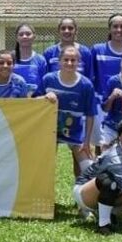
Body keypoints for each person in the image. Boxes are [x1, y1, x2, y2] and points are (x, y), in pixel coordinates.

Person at [72, 117, 122, 236]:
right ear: (119, 136)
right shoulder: (114, 157)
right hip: (84, 193)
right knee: (110, 181)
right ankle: (103, 225)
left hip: (105, 191)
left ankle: (111, 213)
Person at [40, 44, 96, 177]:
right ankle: (42, 197)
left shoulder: (86, 85)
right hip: (50, 132)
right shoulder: (48, 79)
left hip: (75, 132)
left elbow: (90, 114)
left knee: (89, 171)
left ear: (79, 62)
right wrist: (44, 97)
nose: (69, 63)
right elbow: (34, 102)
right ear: (59, 61)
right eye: (66, 59)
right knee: (41, 168)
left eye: (73, 60)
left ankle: (83, 196)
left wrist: (87, 142)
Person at [91, 13, 122, 86]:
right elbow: (90, 77)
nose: (119, 30)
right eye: (115, 26)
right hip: (103, 97)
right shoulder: (97, 50)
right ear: (109, 29)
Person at [44, 17, 96, 83]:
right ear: (58, 31)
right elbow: (45, 78)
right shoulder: (49, 52)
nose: (66, 31)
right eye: (63, 28)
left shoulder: (85, 52)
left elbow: (89, 78)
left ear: (76, 31)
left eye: (70, 28)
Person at [12, 24, 49, 91]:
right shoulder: (10, 58)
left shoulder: (40, 60)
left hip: (35, 99)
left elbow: (44, 83)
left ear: (34, 37)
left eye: (28, 34)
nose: (24, 36)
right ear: (16, 38)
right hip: (12, 99)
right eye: (21, 34)